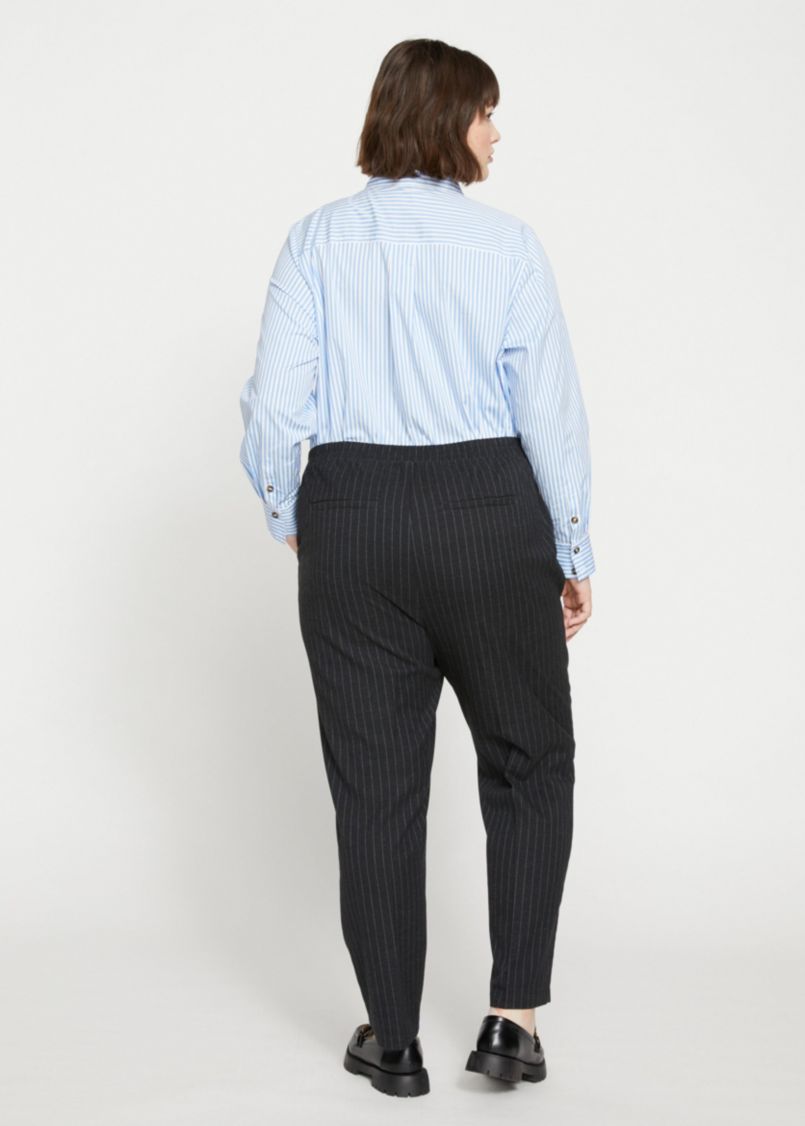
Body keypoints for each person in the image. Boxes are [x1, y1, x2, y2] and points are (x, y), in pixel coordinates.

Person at [238, 38, 594, 1097]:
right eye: (486, 113)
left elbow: (275, 407)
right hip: (490, 514)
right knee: (529, 758)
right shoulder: (508, 247)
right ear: (447, 120)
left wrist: (293, 510)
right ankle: (512, 1020)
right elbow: (549, 411)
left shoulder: (315, 241)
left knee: (376, 789)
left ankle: (393, 1039)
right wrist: (574, 546)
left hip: (353, 516)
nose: (497, 132)